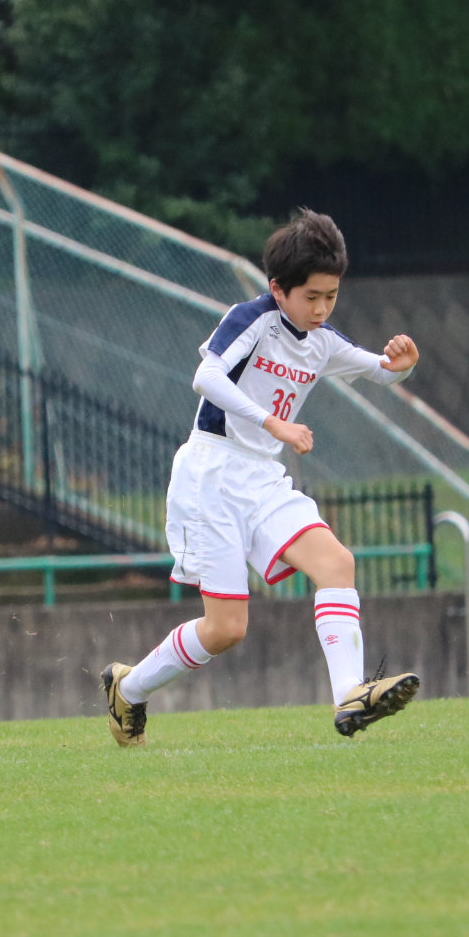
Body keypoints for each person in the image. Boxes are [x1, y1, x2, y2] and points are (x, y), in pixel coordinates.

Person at [100, 210, 423, 746]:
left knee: (337, 564)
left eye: (331, 296)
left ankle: (350, 696)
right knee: (226, 630)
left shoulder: (321, 341)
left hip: (261, 479)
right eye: (311, 296)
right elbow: (205, 375)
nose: (321, 309)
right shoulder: (253, 317)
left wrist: (403, 364)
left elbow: (379, 371)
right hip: (210, 474)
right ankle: (129, 689)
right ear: (278, 289)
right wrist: (273, 422)